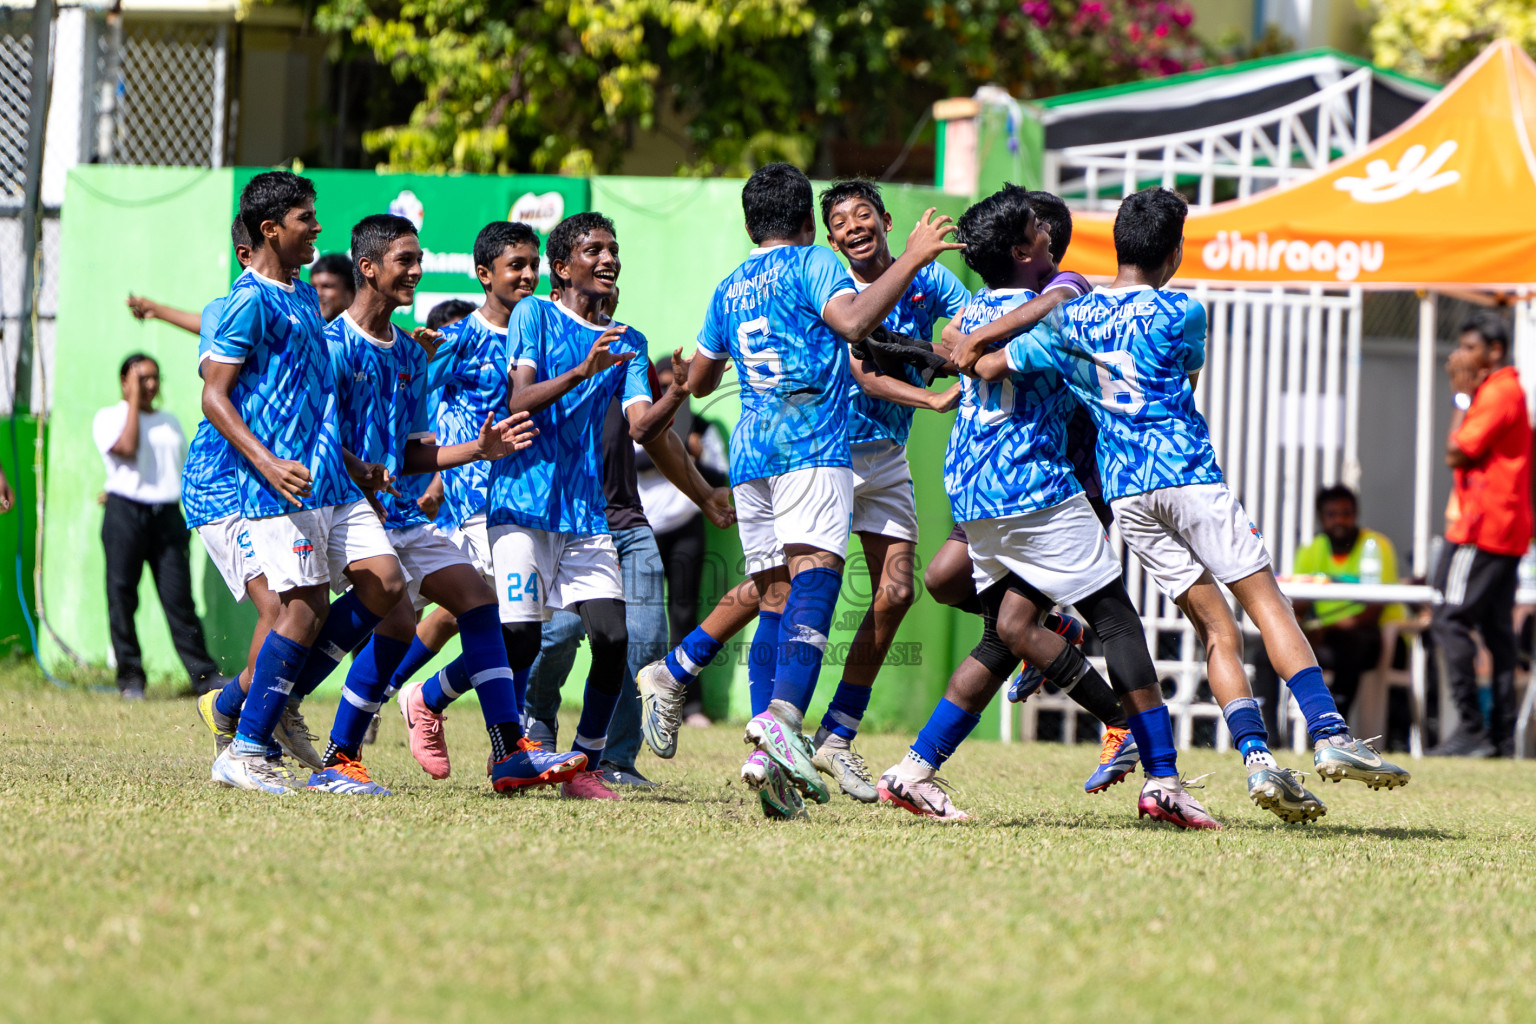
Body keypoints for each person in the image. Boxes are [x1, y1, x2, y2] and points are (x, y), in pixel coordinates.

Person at [1044, 186, 1409, 820]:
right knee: (1268, 605)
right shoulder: (1182, 310)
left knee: (1215, 628)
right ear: (1175, 252)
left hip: (1129, 497)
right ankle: (1328, 734)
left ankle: (1259, 761)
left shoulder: (1069, 317)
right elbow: (1183, 379)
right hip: (1188, 478)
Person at [882, 185, 1217, 828]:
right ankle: (1165, 779)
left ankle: (914, 772)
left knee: (1001, 634)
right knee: (1117, 622)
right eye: (1040, 228)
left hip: (972, 493)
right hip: (1032, 488)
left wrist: (965, 340)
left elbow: (964, 342)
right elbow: (1059, 309)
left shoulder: (980, 305)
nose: (1050, 234)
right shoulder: (1059, 302)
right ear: (1023, 249)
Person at [636, 178, 967, 805]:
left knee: (879, 590)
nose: (852, 228)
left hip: (834, 452)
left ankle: (822, 736)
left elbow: (703, 379)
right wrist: (928, 386)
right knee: (797, 585)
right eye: (838, 220)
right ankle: (779, 725)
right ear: (819, 230)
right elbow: (856, 349)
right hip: (818, 448)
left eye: (862, 215)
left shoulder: (737, 282)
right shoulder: (821, 271)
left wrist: (957, 346)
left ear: (886, 219)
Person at [401, 212, 730, 801]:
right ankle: (428, 697)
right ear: (564, 266)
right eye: (594, 250)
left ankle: (587, 764)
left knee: (612, 639)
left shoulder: (628, 339)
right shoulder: (535, 314)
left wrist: (677, 391)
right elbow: (519, 397)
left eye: (613, 249)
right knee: (524, 642)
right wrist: (583, 369)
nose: (608, 259)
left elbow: (640, 428)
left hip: (585, 515)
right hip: (520, 506)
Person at [310, 213, 575, 796]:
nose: (417, 271)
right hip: (346, 513)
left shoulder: (407, 353)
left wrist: (477, 449)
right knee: (392, 626)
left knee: (477, 604)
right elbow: (317, 437)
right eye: (405, 260)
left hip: (401, 511)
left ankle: (506, 751)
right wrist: (362, 478)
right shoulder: (330, 345)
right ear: (368, 267)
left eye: (419, 259)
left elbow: (410, 455)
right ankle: (299, 731)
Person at [200, 170, 409, 795]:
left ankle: (271, 705)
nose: (317, 227)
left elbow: (311, 396)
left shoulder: (299, 295)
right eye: (305, 219)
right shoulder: (247, 300)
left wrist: (353, 462)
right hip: (277, 485)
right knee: (302, 611)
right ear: (271, 229)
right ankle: (245, 750)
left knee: (387, 585)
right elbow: (215, 396)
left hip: (332, 483)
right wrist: (266, 463)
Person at [92, 352, 227, 700]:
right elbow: (126, 448)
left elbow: (177, 469)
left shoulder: (169, 420)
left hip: (167, 515)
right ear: (125, 382)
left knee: (179, 599)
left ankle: (204, 676)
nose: (150, 385)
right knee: (121, 596)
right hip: (125, 513)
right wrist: (134, 401)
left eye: (154, 378)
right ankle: (131, 678)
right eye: (141, 379)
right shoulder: (109, 417)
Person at [1429, 313, 1533, 758]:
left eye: (1470, 347)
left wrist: (1462, 396)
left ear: (1494, 351)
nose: (1460, 356)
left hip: (1481, 529)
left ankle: (1470, 728)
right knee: (1496, 632)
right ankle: (1500, 737)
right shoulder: (1507, 390)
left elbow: (1456, 450)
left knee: (1448, 619)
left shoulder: (1497, 391)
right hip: (1505, 529)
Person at [1255, 484, 1405, 728]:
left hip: (1376, 637)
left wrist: (1325, 628)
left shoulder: (1376, 546)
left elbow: (1373, 611)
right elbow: (1298, 605)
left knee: (1351, 643)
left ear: (1355, 514)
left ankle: (1333, 729)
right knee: (1268, 650)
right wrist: (1302, 627)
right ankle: (1270, 733)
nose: (1339, 520)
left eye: (1346, 513)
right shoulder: (1311, 550)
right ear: (1321, 518)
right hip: (1324, 637)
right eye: (1331, 514)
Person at [635, 358, 728, 726]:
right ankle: (637, 695)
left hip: (687, 529)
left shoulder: (703, 429)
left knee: (685, 613)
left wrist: (696, 455)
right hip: (643, 529)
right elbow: (635, 462)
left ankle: (689, 705)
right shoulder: (637, 421)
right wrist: (677, 450)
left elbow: (722, 475)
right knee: (642, 615)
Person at [309, 252, 356, 322]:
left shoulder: (366, 331)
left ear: (351, 292)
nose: (317, 293)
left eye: (326, 286)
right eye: (313, 287)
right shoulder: (305, 331)